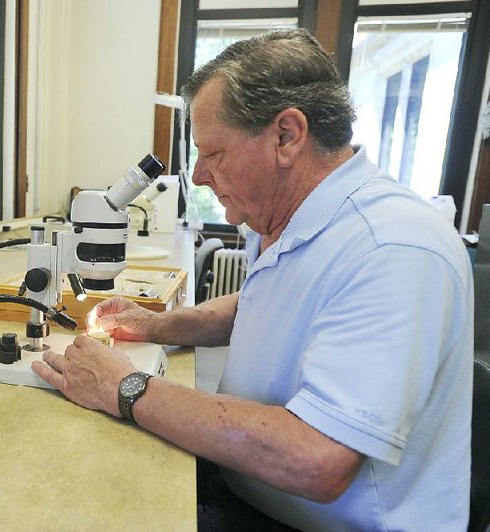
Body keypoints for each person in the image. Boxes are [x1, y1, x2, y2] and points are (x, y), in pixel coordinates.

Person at [32, 29, 474, 531]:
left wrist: (126, 387)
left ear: (286, 136)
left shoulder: (392, 248)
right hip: (250, 486)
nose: (197, 176)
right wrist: (156, 325)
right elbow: (265, 304)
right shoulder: (296, 217)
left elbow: (317, 457)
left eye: (213, 154)